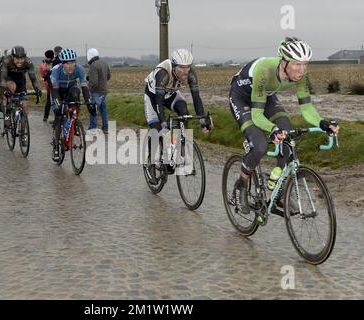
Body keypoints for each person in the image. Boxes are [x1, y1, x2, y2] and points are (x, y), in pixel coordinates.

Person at [228, 37, 340, 215]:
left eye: (305, 64)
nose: (301, 70)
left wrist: (322, 122)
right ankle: (240, 186)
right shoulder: (265, 70)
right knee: (260, 145)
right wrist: (272, 129)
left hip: (266, 95)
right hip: (241, 98)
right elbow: (257, 115)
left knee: (287, 133)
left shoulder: (301, 76)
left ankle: (278, 191)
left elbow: (306, 107)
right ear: (284, 62)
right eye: (296, 64)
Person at [144, 48, 210, 133]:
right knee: (157, 130)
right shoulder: (163, 73)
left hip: (171, 94)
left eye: (187, 67)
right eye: (181, 68)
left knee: (183, 111)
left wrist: (202, 120)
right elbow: (159, 102)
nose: (185, 72)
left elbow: (196, 98)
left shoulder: (191, 74)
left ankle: (183, 141)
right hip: (153, 96)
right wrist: (163, 122)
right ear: (174, 66)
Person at [50, 48, 91, 161]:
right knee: (59, 115)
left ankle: (74, 122)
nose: (70, 66)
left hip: (70, 89)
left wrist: (89, 103)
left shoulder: (79, 70)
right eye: (67, 63)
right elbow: (54, 91)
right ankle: (56, 147)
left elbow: (84, 88)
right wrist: (58, 104)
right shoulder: (56, 70)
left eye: (72, 62)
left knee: (75, 94)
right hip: (57, 91)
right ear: (62, 63)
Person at [1, 46, 42, 146]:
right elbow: (2, 79)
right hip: (8, 80)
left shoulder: (28, 62)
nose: (20, 61)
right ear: (12, 57)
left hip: (21, 82)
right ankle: (7, 114)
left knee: (24, 107)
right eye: (17, 58)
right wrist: (6, 90)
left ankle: (23, 134)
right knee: (12, 88)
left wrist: (37, 90)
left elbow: (33, 78)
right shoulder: (7, 61)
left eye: (22, 58)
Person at [87, 48, 111, 134]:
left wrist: (89, 89)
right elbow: (108, 76)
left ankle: (92, 128)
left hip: (96, 92)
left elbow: (94, 82)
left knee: (93, 110)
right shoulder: (104, 63)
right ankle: (105, 128)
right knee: (103, 110)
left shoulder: (93, 65)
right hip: (104, 91)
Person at [39, 50, 54, 121]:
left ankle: (45, 116)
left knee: (49, 101)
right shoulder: (54, 63)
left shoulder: (43, 65)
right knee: (54, 100)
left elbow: (42, 74)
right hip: (53, 84)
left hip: (47, 84)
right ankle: (57, 117)